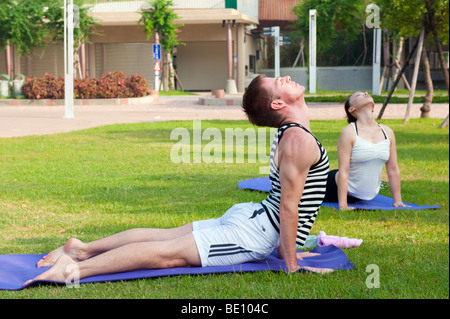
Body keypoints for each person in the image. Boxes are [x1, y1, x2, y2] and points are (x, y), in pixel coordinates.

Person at [24, 75, 331, 286]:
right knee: (167, 254)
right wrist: (291, 265)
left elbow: (290, 204)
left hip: (255, 217)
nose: (286, 79)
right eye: (280, 82)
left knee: (165, 236)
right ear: (278, 105)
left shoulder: (293, 135)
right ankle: (75, 268)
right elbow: (290, 208)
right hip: (257, 231)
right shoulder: (297, 140)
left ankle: (82, 248)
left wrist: (287, 249)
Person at [323, 91, 409, 210]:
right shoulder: (349, 132)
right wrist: (343, 205)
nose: (365, 93)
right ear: (351, 109)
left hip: (361, 196)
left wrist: (398, 201)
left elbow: (393, 169)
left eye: (365, 93)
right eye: (358, 95)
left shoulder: (387, 132)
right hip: (332, 186)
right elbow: (344, 170)